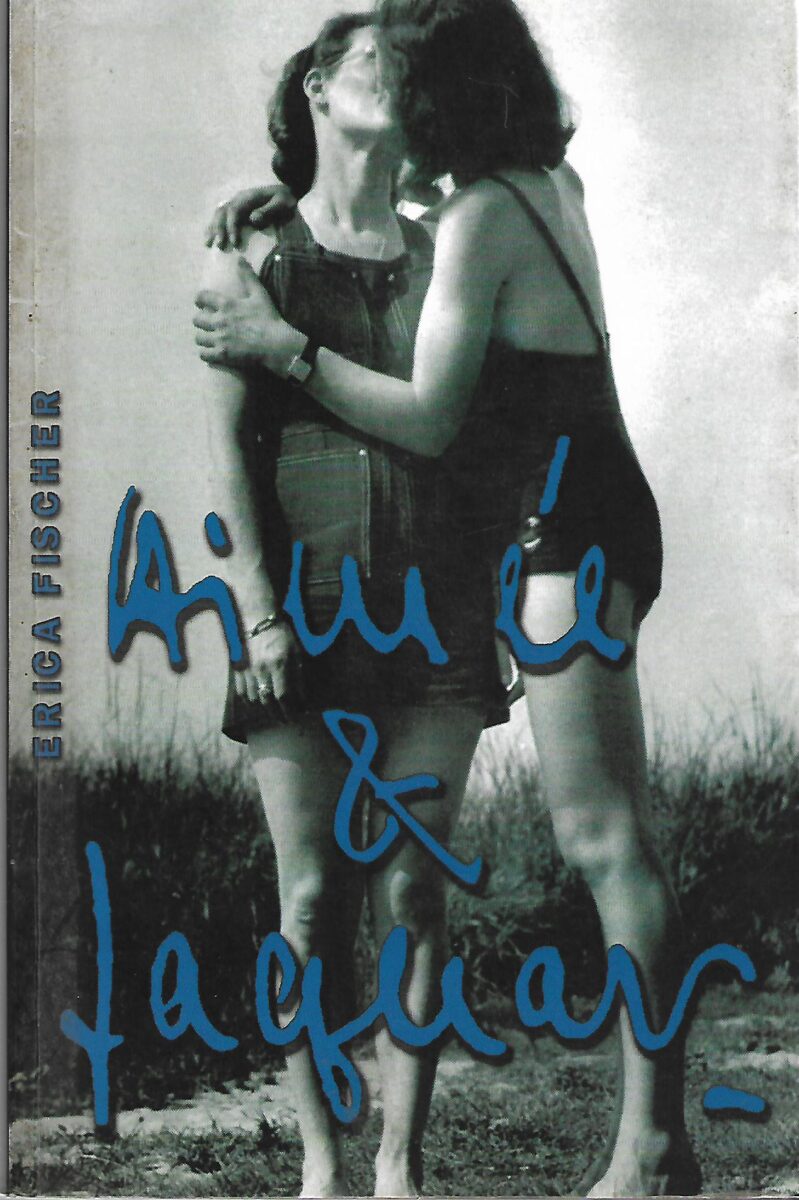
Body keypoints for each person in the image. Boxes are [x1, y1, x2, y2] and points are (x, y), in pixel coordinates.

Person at [195, 1, 703, 1195]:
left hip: (555, 529)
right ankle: (652, 1143)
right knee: (610, 838)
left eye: (410, 74)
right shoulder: (546, 184)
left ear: (446, 89)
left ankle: (648, 1151)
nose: (400, 96)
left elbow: (427, 420)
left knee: (600, 840)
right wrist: (282, 196)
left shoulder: (473, 220)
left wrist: (281, 344)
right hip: (597, 512)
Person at [195, 14, 507, 1197]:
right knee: (316, 897)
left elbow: (470, 436)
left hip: (437, 612)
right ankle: (322, 1167)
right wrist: (259, 615)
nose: (399, 71)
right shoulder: (253, 250)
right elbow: (228, 459)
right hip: (303, 611)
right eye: (374, 54)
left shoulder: (452, 250)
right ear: (317, 87)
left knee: (414, 888)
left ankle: (398, 1169)